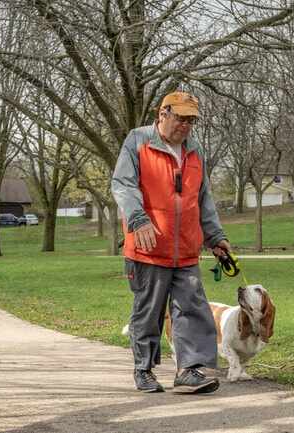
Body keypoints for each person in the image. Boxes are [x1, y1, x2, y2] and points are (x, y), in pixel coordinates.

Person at [111, 91, 232, 394]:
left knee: (192, 308)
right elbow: (123, 184)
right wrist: (138, 219)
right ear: (162, 113)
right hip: (149, 247)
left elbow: (203, 199)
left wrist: (215, 236)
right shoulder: (138, 141)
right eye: (180, 117)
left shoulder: (195, 151)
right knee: (149, 311)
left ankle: (187, 371)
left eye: (191, 120)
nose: (186, 125)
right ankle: (144, 370)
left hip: (187, 249)